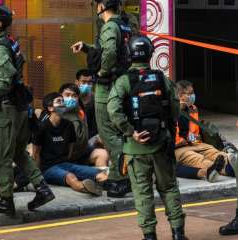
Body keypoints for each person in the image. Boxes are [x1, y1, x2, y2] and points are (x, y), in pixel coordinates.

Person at [0, 4, 54, 216]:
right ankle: (42, 188)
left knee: (3, 157)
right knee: (17, 152)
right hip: (17, 108)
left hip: (6, 110)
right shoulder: (9, 44)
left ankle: (6, 201)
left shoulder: (0, 49)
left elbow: (5, 82)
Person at [108, 35, 186, 240]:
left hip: (135, 148)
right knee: (169, 188)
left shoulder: (124, 81)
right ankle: (178, 233)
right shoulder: (161, 78)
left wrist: (130, 131)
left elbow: (113, 110)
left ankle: (150, 236)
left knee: (142, 193)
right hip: (161, 144)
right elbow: (175, 108)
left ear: (129, 55)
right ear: (151, 54)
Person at [71, 0, 132, 198]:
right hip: (121, 83)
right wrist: (87, 48)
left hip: (108, 86)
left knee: (107, 134)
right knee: (118, 131)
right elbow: (114, 50)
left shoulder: (109, 26)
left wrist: (101, 71)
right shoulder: (124, 24)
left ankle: (125, 177)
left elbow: (110, 53)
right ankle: (116, 176)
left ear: (102, 6)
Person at [33, 93, 107, 196]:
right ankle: (85, 187)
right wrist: (38, 178)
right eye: (59, 102)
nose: (63, 104)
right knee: (70, 177)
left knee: (99, 173)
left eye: (63, 101)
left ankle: (109, 185)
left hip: (66, 164)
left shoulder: (68, 125)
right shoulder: (41, 128)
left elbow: (70, 148)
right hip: (48, 168)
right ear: (50, 108)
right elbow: (36, 153)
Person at [175, 80, 235, 178]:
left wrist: (195, 138)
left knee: (215, 152)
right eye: (190, 94)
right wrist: (181, 141)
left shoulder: (193, 109)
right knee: (198, 159)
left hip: (196, 143)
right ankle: (225, 170)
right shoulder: (170, 112)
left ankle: (231, 163)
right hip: (179, 148)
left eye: (193, 93)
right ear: (180, 95)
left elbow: (195, 131)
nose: (193, 96)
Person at [59, 83, 109, 169]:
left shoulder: (80, 112)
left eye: (74, 96)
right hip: (62, 158)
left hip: (81, 152)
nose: (71, 98)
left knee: (103, 154)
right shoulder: (54, 114)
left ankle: (102, 180)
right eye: (67, 95)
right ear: (60, 96)